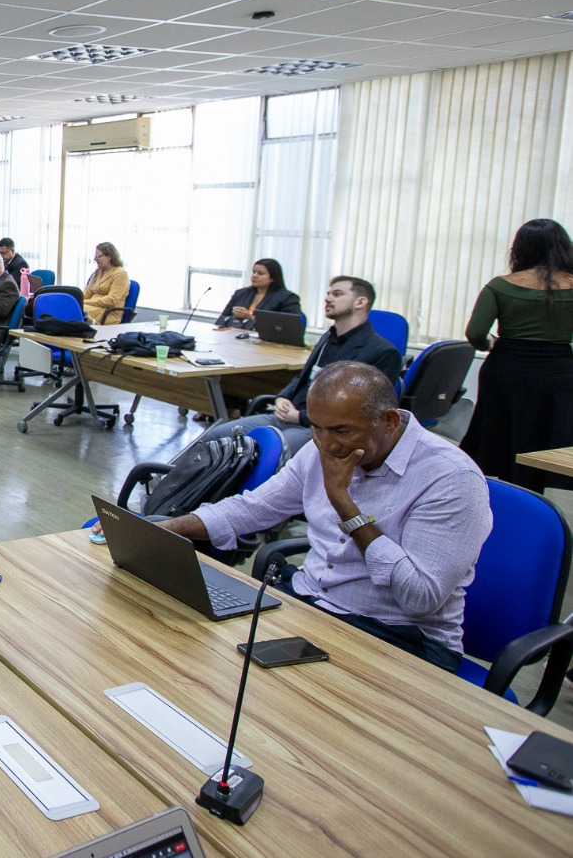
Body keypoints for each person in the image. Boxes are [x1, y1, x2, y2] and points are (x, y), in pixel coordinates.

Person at [160, 363, 490, 674]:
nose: (326, 443)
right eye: (316, 428)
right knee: (194, 655)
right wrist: (164, 529)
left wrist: (343, 502)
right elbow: (253, 508)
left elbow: (419, 598)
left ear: (389, 421)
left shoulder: (451, 479)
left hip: (398, 636)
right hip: (312, 604)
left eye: (341, 430)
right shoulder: (323, 447)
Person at [206, 276, 404, 446]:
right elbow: (304, 376)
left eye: (337, 294)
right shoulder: (328, 337)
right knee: (214, 438)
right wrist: (282, 397)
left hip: (324, 430)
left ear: (360, 302)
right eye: (328, 293)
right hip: (286, 416)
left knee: (266, 451)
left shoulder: (383, 352)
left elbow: (359, 411)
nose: (327, 298)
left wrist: (301, 416)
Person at [460, 218, 573, 492]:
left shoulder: (499, 286)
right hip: (557, 372)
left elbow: (475, 333)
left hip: (506, 368)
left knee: (504, 436)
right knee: (545, 438)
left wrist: (489, 344)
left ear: (520, 248)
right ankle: (537, 498)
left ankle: (505, 495)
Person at [214, 258, 303, 330]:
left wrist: (251, 318)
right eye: (254, 272)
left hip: (267, 343)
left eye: (260, 273)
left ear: (272, 278)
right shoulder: (241, 293)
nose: (254, 276)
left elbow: (289, 328)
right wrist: (233, 316)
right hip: (236, 337)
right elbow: (221, 320)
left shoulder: (287, 298)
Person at [83, 242, 130, 324]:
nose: (95, 259)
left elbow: (111, 300)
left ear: (109, 257)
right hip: (94, 307)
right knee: (69, 306)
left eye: (99, 256)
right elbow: (87, 292)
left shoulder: (121, 274)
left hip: (108, 312)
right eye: (95, 256)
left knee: (77, 310)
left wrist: (86, 302)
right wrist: (76, 299)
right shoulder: (98, 272)